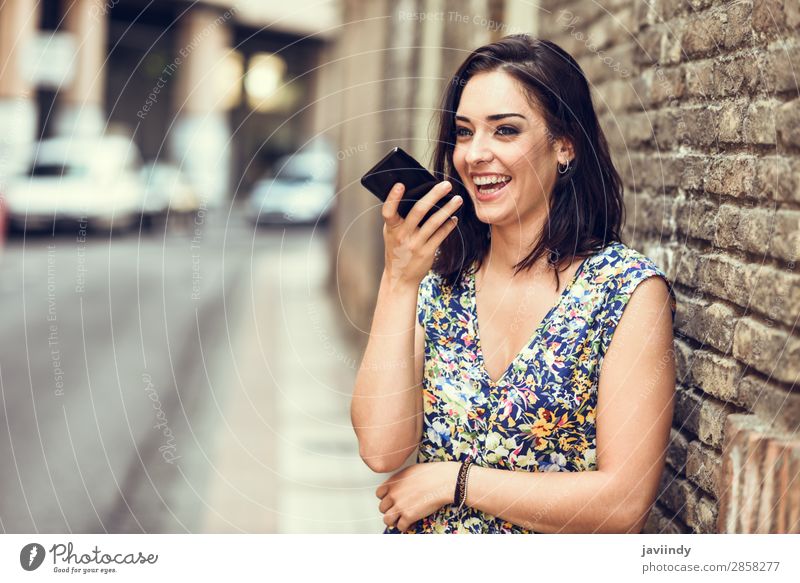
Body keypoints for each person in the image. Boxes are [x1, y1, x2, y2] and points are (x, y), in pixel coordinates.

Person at [350, 34, 677, 534]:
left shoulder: (626, 293)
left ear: (564, 145)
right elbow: (380, 447)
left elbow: (623, 501)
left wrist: (455, 482)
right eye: (463, 132)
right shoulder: (442, 283)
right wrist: (398, 280)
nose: (475, 154)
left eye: (505, 131)